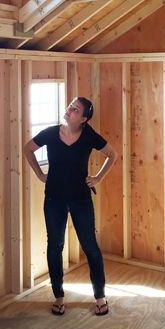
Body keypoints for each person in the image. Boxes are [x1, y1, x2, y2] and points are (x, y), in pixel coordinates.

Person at [24, 96, 117, 316]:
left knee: (90, 248)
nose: (69, 110)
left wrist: (97, 178)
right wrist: (39, 174)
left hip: (81, 199)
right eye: (70, 106)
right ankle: (58, 296)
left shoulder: (88, 136)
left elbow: (112, 155)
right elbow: (28, 149)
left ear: (83, 118)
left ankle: (100, 296)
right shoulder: (50, 133)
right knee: (55, 246)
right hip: (54, 199)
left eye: (75, 110)